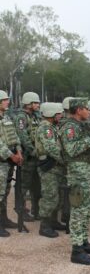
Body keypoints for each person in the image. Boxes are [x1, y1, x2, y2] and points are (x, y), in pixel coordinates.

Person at [59, 98, 90, 265]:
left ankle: (83, 242)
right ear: (78, 110)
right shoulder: (69, 127)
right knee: (78, 211)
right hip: (78, 174)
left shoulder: (82, 126)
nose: (89, 111)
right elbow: (71, 150)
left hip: (88, 172)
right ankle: (76, 251)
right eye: (86, 109)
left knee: (88, 209)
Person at [35, 103, 66, 238]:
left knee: (57, 196)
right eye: (59, 114)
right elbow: (51, 148)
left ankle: (53, 221)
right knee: (49, 196)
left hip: (55, 166)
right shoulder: (45, 128)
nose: (61, 116)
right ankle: (45, 225)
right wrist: (65, 160)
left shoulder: (52, 127)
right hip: (49, 166)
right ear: (52, 114)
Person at [14, 92, 41, 221]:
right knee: (23, 186)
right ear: (28, 104)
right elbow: (23, 136)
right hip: (27, 157)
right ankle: (21, 211)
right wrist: (33, 151)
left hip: (36, 157)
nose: (37, 105)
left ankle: (36, 210)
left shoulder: (36, 116)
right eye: (35, 103)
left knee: (37, 186)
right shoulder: (21, 117)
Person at [0, 90, 23, 237]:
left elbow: (14, 136)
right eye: (5, 100)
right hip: (2, 160)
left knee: (6, 191)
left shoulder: (7, 117)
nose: (8, 102)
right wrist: (11, 155)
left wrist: (19, 151)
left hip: (9, 161)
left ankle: (4, 219)